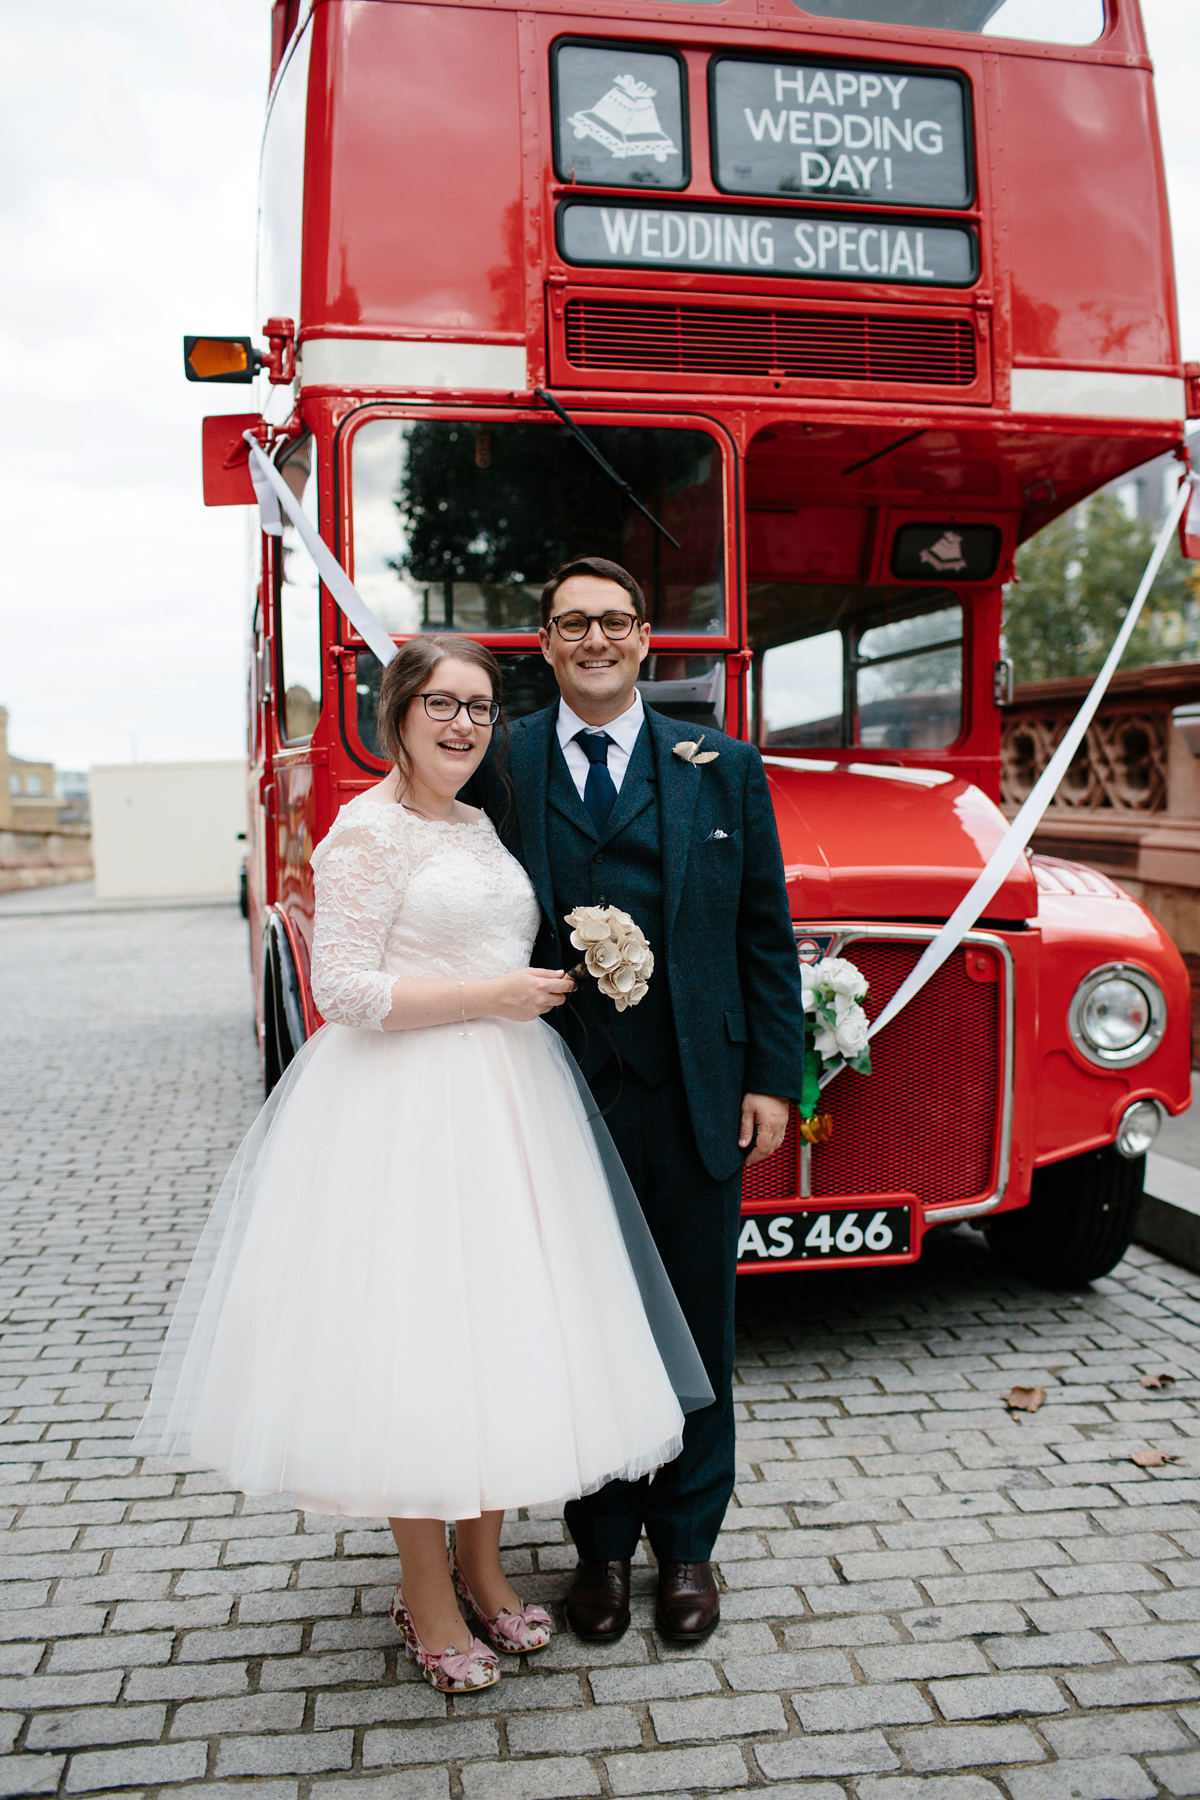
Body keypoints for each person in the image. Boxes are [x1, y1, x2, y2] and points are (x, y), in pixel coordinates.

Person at [132, 635, 711, 1696]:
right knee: (417, 1344)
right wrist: (486, 998)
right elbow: (343, 990)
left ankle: (485, 1569)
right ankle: (426, 1591)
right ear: (398, 714)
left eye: (482, 708)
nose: (463, 725)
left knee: (494, 1335)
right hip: (402, 1109)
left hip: (509, 1104)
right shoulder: (367, 832)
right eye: (441, 704)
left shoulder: (486, 826)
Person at [465, 556, 807, 1645]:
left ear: (648, 638)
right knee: (586, 1321)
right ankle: (603, 1551)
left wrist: (772, 1078)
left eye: (614, 621)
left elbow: (764, 934)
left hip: (698, 1090)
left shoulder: (724, 767)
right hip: (558, 1092)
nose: (596, 640)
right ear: (547, 643)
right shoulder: (502, 765)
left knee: (698, 1323)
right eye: (573, 624)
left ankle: (690, 1547)